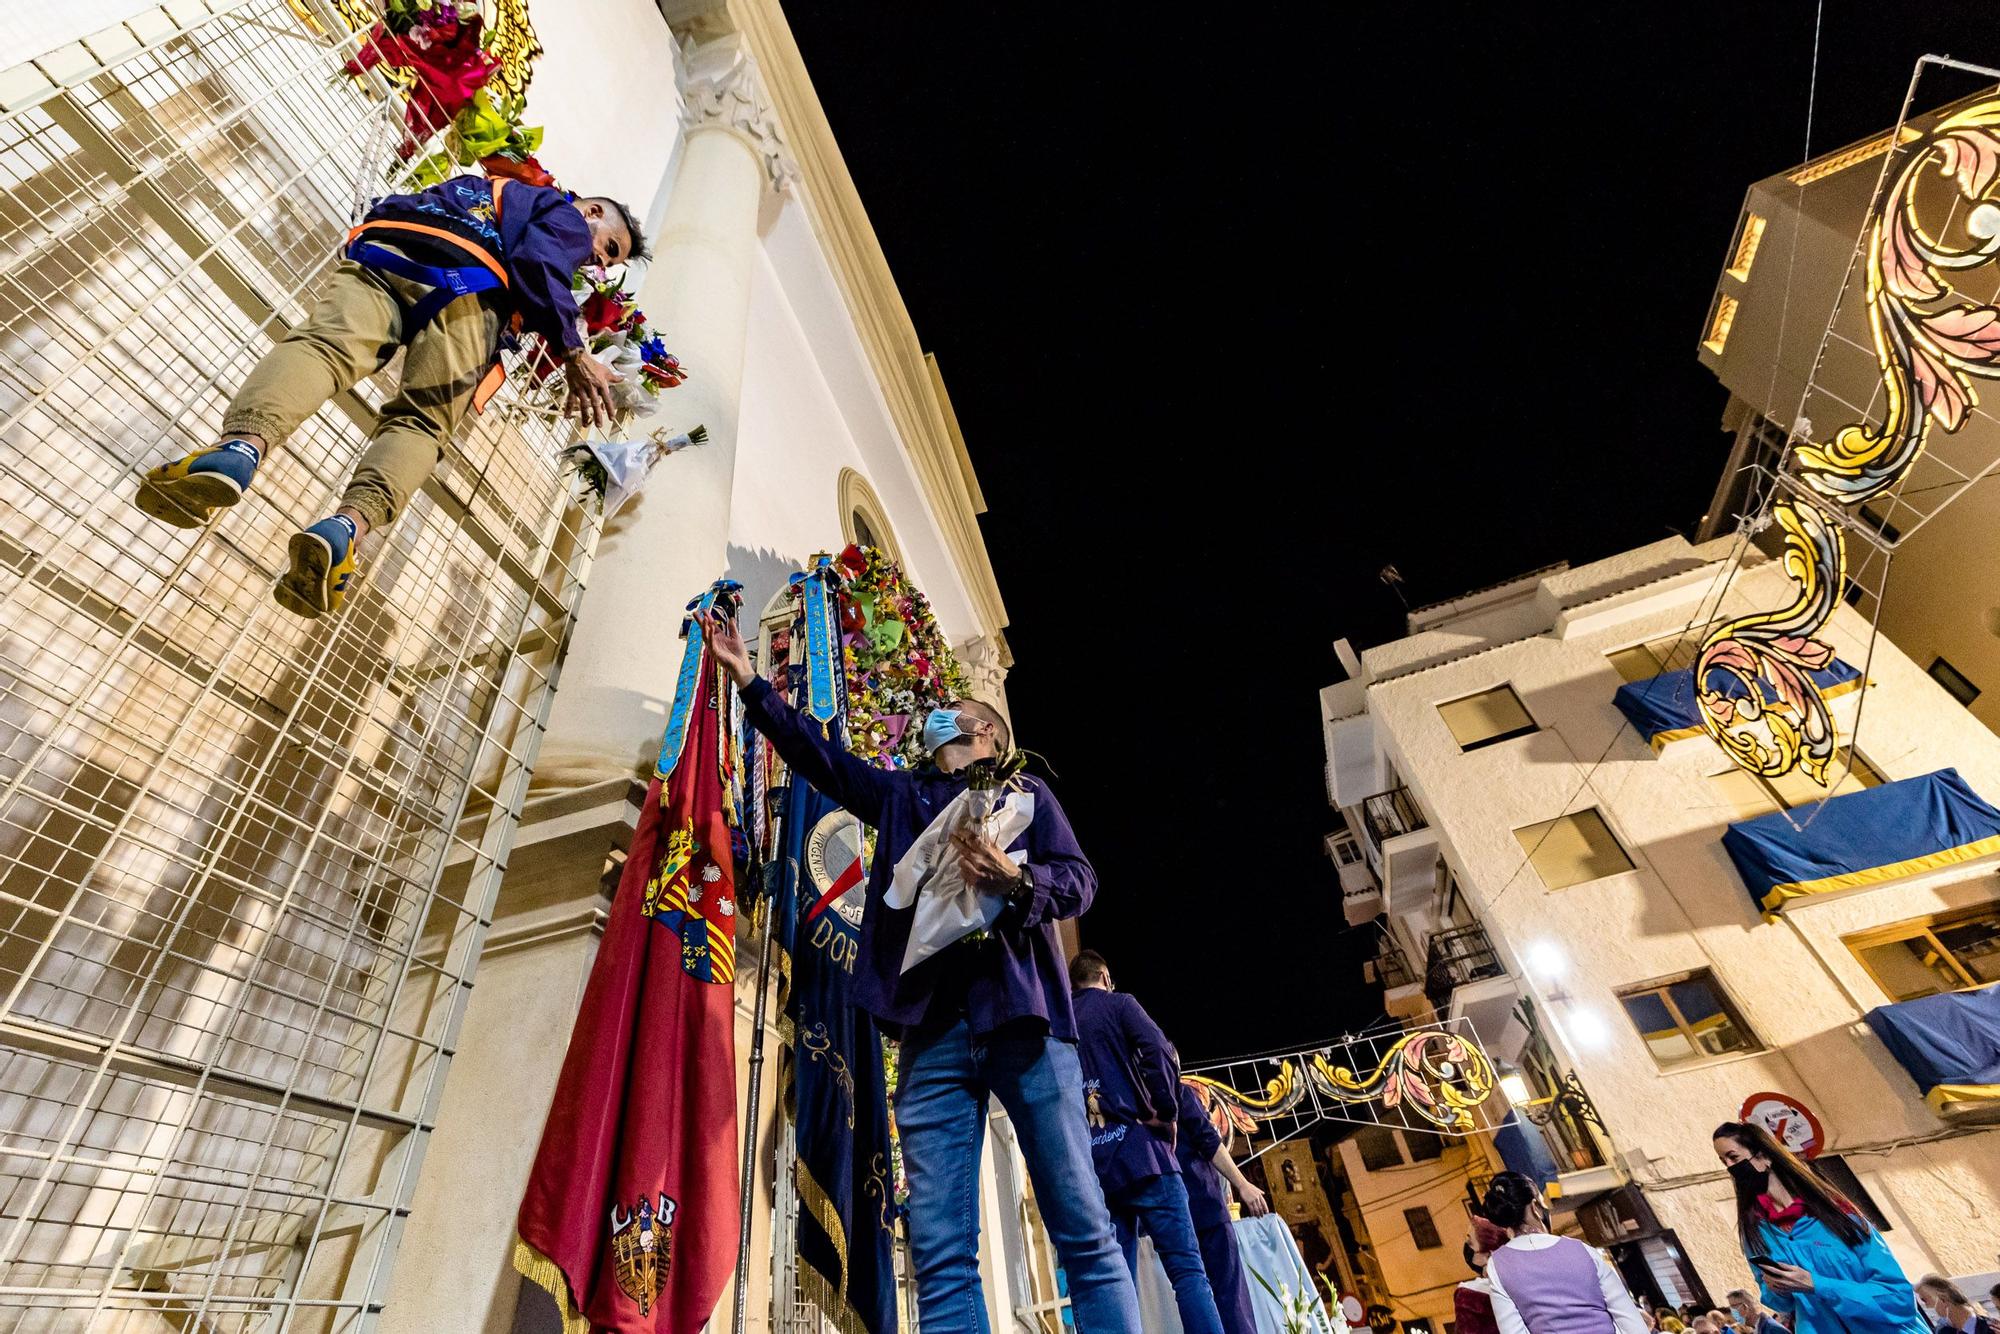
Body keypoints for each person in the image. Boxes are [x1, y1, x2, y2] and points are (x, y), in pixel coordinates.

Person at [707, 610, 1139, 1334]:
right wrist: (752, 683)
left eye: (954, 713)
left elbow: (1080, 880)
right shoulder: (903, 799)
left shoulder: (1027, 796)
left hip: (1026, 1022)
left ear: (989, 737)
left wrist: (1017, 881)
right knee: (939, 1253)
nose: (936, 718)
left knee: (1084, 1232)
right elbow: (826, 762)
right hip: (932, 1034)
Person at [135, 174, 640, 617]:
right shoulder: (561, 213)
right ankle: (347, 528)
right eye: (610, 248)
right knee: (421, 424)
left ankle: (239, 451)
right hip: (471, 297)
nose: (599, 260)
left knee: (322, 349)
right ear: (592, 212)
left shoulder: (477, 187)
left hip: (392, 252)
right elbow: (538, 259)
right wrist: (574, 352)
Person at [1068, 951, 1224, 1334]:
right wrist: (1166, 1110)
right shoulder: (1119, 1004)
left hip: (1098, 1167)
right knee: (1188, 1272)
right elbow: (1159, 1049)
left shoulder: (1064, 1020)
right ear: (1104, 976)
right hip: (1145, 1155)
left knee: (1115, 1284)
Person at [1711, 1121, 1927, 1333]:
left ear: (1763, 1157)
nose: (1730, 1168)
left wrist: (1817, 1284)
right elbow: (1780, 1303)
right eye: (1723, 1161)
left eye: (1733, 1157)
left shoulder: (1840, 1216)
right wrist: (1777, 1290)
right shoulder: (1755, 1235)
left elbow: (1898, 1298)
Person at [1479, 1171, 1648, 1334]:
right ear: (1534, 1207)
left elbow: (1513, 1331)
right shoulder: (1581, 1250)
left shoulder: (1498, 1266)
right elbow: (1631, 1321)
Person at [1173, 1078, 1266, 1334]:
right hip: (1206, 1205)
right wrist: (1243, 1185)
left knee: (1195, 1297)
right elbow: (1209, 1141)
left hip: (1173, 1217)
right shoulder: (1178, 1092)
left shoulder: (1136, 1101)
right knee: (1230, 1296)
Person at [1455, 1214, 1509, 1334]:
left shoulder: (1469, 1296)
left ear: (1488, 1254)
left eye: (1470, 1243)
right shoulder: (1521, 1282)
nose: (1467, 1249)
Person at [1918, 1275, 1998, 1333]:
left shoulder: (1992, 1328)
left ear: (1943, 1299)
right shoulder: (1942, 1331)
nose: (1927, 1307)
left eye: (1925, 1300)